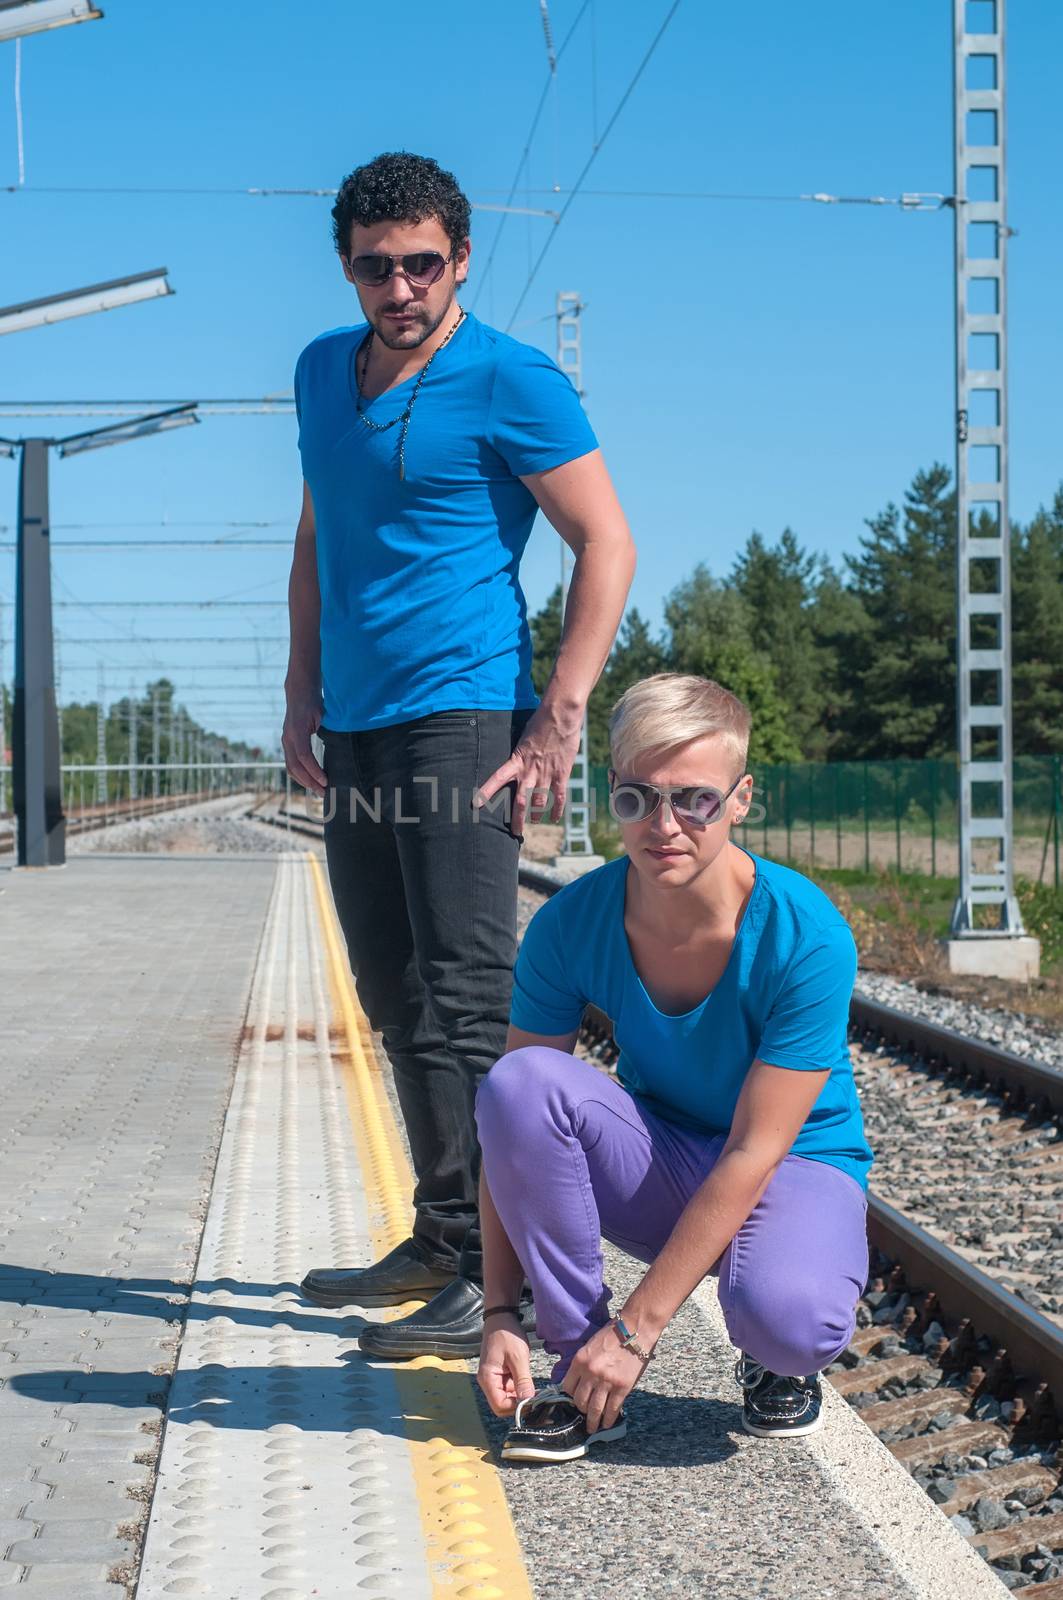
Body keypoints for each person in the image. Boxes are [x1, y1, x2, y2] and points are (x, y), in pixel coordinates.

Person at [284, 151, 635, 1360]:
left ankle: (513, 1282)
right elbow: (318, 529)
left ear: (461, 260)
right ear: (348, 268)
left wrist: (559, 714)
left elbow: (605, 542)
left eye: (422, 264)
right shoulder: (321, 374)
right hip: (359, 722)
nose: (401, 288)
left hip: (465, 715)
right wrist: (298, 683)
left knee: (467, 1001)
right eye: (377, 268)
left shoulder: (508, 379)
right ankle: (442, 1238)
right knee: (390, 987)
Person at [474, 673, 873, 1461]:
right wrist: (498, 1313)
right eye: (636, 799)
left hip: (792, 1161)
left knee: (791, 1320)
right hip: (665, 1153)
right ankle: (576, 1370)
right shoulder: (569, 925)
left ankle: (768, 1353)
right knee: (515, 1083)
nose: (663, 826)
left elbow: (756, 1150)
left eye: (693, 799)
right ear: (612, 795)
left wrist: (640, 1329)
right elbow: (511, 1130)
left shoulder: (805, 935)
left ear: (740, 798)